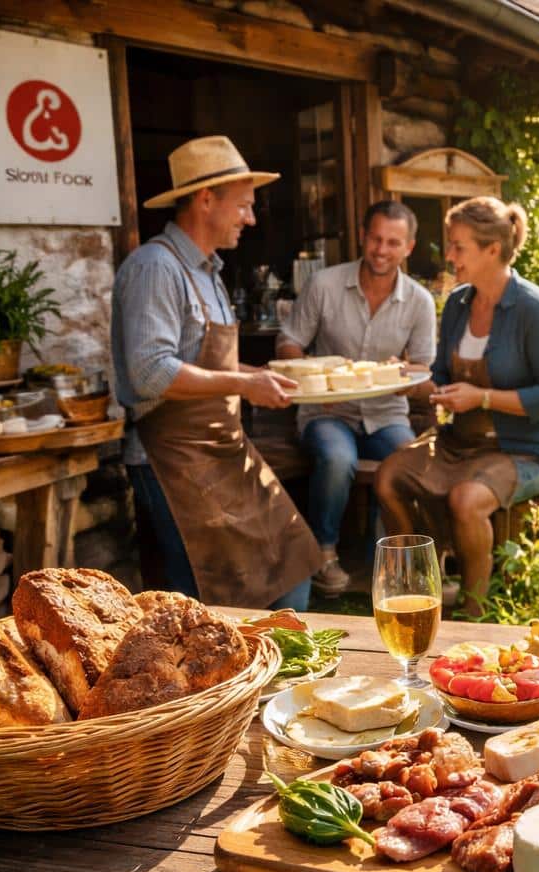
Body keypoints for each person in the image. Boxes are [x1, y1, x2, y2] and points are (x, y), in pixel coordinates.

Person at [111, 135, 322, 611]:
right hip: (171, 461)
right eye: (243, 206)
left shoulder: (208, 271)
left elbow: (207, 364)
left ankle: (277, 680)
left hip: (221, 449)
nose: (250, 218)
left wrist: (263, 374)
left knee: (292, 564)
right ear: (206, 199)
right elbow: (150, 373)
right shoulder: (155, 268)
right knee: (207, 607)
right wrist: (246, 384)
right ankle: (226, 687)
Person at [375, 196, 539, 617]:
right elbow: (445, 379)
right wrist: (410, 380)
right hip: (459, 442)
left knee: (466, 499)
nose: (448, 255)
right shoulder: (459, 305)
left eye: (458, 246)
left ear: (492, 250)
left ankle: (473, 610)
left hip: (524, 450)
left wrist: (482, 397)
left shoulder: (535, 310)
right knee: (390, 476)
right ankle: (418, 588)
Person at [275, 201, 436, 596]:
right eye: (376, 238)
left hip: (387, 412)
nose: (382, 249)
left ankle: (391, 559)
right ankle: (323, 553)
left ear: (408, 248)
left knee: (410, 459)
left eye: (393, 243)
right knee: (337, 457)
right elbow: (288, 343)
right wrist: (315, 378)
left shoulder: (420, 301)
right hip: (329, 411)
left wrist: (401, 377)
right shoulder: (325, 284)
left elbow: (422, 370)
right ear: (363, 237)